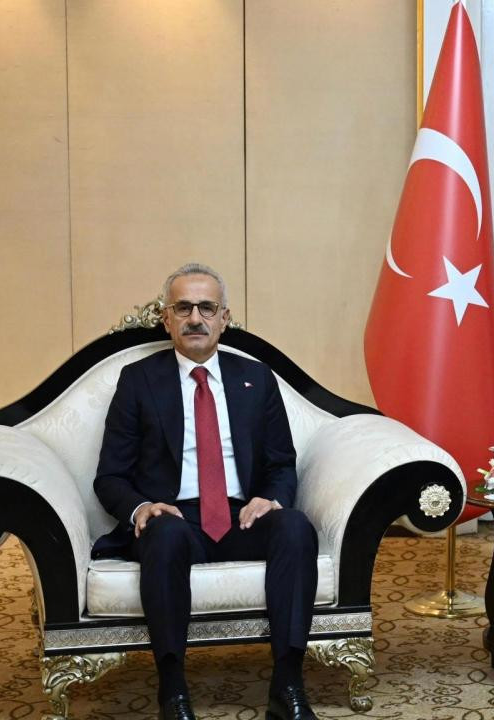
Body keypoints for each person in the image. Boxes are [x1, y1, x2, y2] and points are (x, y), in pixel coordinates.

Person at [92, 263, 319, 720]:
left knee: (295, 527)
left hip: (241, 517)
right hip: (176, 519)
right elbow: (110, 475)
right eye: (183, 308)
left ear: (224, 318)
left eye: (207, 308)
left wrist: (270, 499)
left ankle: (288, 686)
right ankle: (173, 691)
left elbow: (281, 462)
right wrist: (141, 506)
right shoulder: (138, 380)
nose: (195, 318)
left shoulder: (256, 377)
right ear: (166, 318)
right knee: (164, 533)